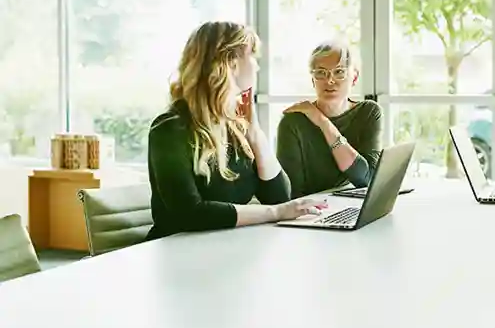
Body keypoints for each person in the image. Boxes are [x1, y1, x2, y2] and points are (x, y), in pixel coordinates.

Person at [146, 21, 327, 240]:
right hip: (178, 256)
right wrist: (275, 213)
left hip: (224, 249)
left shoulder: (235, 126)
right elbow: (190, 213)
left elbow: (279, 196)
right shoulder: (169, 129)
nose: (257, 67)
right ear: (229, 62)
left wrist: (255, 132)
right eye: (252, 56)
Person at [276, 40, 383, 198]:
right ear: (313, 79)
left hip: (354, 206)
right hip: (313, 213)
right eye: (321, 73)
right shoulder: (292, 123)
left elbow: (366, 179)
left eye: (339, 72)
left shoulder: (369, 112)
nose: (330, 80)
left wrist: (322, 122)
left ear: (354, 77)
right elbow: (292, 195)